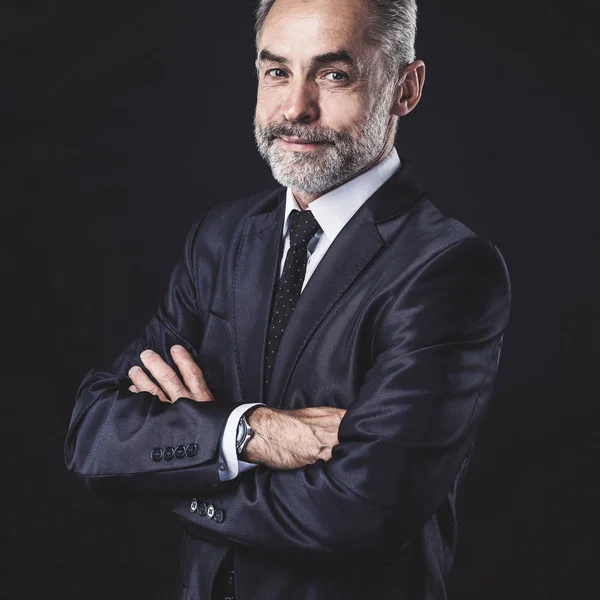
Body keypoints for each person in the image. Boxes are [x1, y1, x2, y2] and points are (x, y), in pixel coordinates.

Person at [65, 0, 511, 598]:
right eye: (277, 72)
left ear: (406, 87)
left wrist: (172, 468)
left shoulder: (447, 269)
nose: (296, 108)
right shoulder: (219, 239)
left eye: (333, 74)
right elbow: (94, 434)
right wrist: (249, 432)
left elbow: (359, 512)